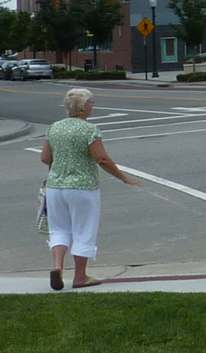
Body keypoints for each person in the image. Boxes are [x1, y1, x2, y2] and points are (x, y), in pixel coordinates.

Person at [39, 87, 140, 290]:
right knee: (83, 230)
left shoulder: (54, 128)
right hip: (82, 187)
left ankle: (58, 266)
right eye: (91, 103)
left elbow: (45, 158)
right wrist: (123, 177)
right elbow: (101, 159)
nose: (92, 106)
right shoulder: (89, 130)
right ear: (83, 107)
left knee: (58, 229)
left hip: (55, 187)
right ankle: (80, 276)